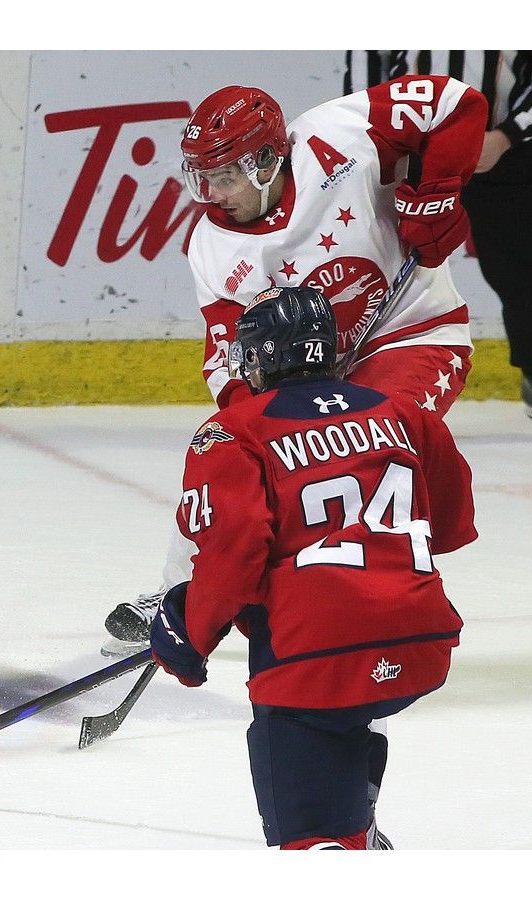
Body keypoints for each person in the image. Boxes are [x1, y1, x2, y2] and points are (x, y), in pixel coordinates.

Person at [103, 74, 488, 651]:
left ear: (266, 159)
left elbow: (462, 105)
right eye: (203, 178)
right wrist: (249, 426)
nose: (214, 193)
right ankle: (176, 592)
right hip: (317, 372)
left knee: (378, 435)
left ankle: (383, 595)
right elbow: (228, 357)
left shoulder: (342, 135)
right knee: (224, 453)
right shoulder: (211, 245)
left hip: (416, 334)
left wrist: (438, 191)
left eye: (226, 175)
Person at [147, 285, 476, 849]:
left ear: (261, 358)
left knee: (310, 833)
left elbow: (231, 564)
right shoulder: (405, 415)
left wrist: (190, 637)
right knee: (353, 716)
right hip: (421, 645)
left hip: (312, 662)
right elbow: (449, 526)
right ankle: (356, 822)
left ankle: (337, 835)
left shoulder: (233, 432)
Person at [345, 51, 532, 418]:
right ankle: (354, 392)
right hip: (405, 156)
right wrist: (370, 145)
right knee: (372, 270)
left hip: (504, 157)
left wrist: (505, 137)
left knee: (521, 273)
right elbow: (365, 72)